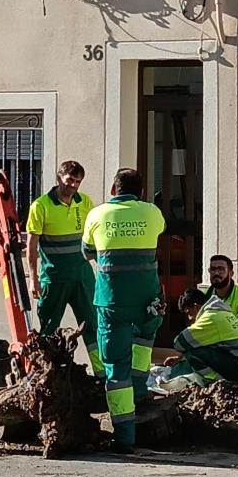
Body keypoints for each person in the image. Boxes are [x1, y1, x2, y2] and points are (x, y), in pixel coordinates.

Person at [82, 167, 165, 453]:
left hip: (112, 301)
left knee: (116, 370)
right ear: (141, 192)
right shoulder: (152, 213)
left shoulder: (97, 214)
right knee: (142, 346)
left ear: (112, 189)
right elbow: (159, 236)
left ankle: (124, 436)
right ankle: (140, 396)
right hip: (148, 301)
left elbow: (87, 251)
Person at [25, 160, 103, 376]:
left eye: (78, 182)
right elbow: (31, 248)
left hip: (82, 277)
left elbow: (95, 238)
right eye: (70, 180)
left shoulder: (85, 202)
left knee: (93, 327)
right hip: (54, 278)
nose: (73, 186)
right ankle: (42, 375)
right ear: (59, 177)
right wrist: (33, 279)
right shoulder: (40, 206)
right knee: (49, 330)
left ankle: (101, 373)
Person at [164, 288, 238, 387]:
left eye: (189, 313)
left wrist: (185, 354)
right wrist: (181, 357)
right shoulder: (221, 312)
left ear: (196, 307)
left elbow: (179, 343)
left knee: (193, 353)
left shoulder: (209, 318)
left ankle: (218, 383)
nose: (190, 318)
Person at [207, 253, 238, 334]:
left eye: (221, 269)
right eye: (213, 269)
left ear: (231, 274)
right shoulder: (205, 295)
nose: (216, 273)